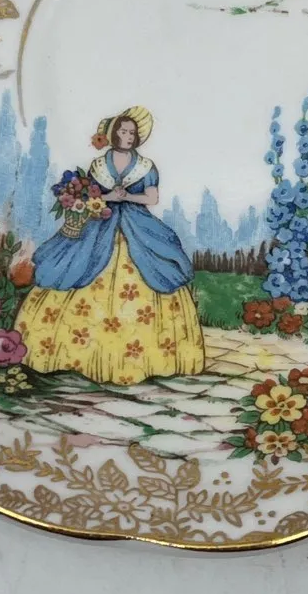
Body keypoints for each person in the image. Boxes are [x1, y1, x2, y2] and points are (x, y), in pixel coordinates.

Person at [15, 106, 205, 385]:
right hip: (100, 221)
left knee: (154, 266)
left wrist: (127, 196)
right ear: (113, 133)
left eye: (132, 133)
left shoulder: (145, 166)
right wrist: (106, 197)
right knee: (78, 262)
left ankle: (150, 359)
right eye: (123, 131)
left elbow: (152, 198)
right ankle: (69, 355)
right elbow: (91, 196)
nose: (127, 136)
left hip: (136, 224)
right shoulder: (98, 165)